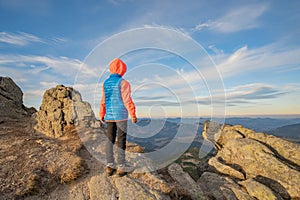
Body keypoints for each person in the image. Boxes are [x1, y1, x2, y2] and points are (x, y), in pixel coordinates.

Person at [99, 58, 137, 176]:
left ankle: (110, 165)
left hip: (109, 116)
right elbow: (127, 100)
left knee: (109, 139)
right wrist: (133, 114)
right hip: (121, 116)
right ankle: (121, 167)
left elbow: (103, 100)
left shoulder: (105, 83)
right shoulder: (124, 83)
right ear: (122, 69)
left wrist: (102, 113)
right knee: (121, 140)